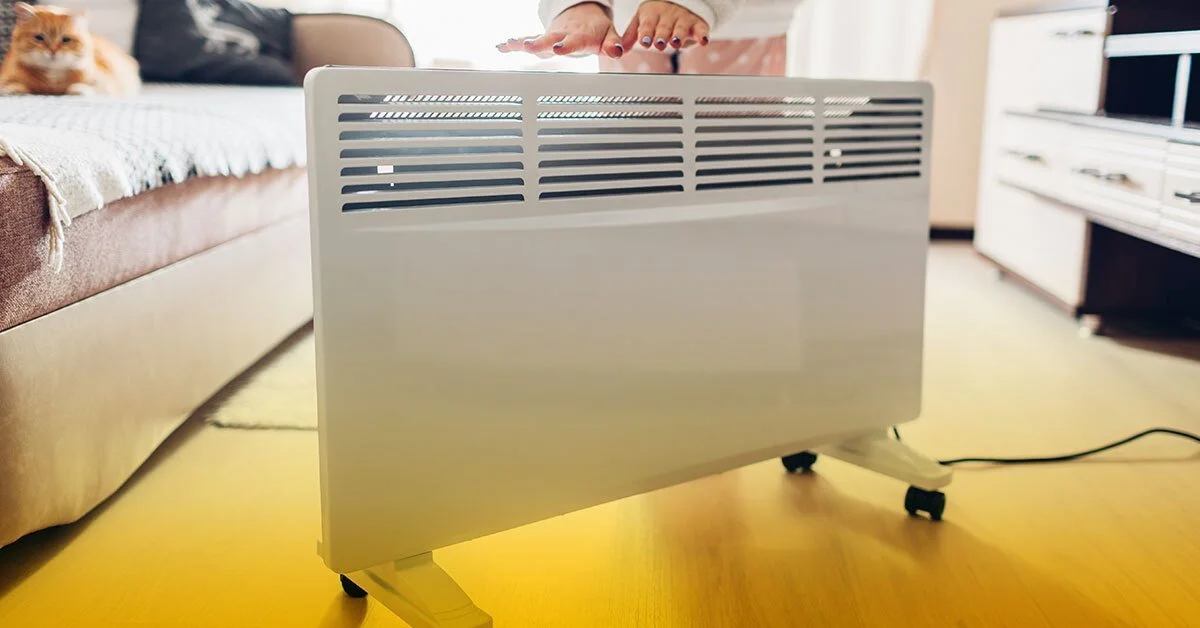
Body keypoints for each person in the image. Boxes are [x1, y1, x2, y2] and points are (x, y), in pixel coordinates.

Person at [497, 0, 804, 76]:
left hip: (743, 30)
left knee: (731, 164)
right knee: (634, 162)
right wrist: (581, 7)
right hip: (627, 34)